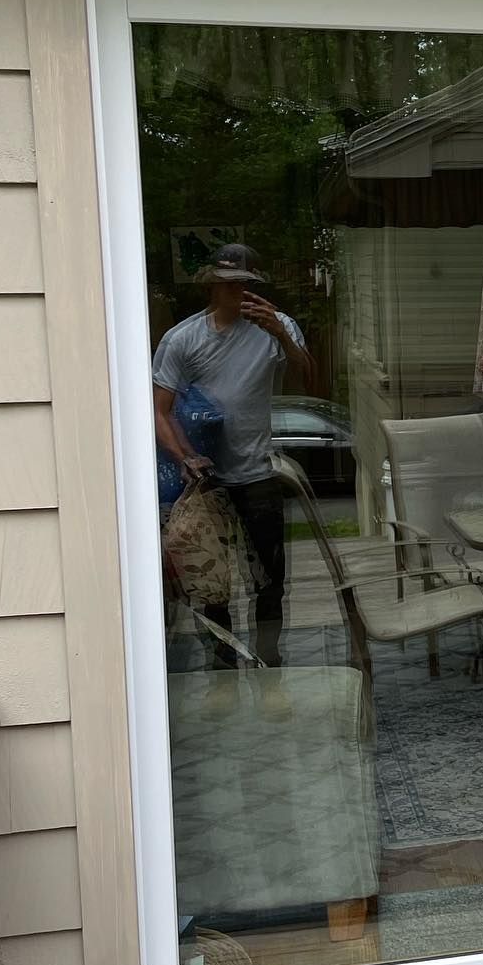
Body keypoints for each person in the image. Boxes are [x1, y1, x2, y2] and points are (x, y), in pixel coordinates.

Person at [153, 243, 311, 673]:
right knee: (211, 585)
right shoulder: (184, 338)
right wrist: (184, 457)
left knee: (270, 581)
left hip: (258, 472)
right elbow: (159, 410)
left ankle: (270, 664)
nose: (235, 293)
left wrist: (279, 332)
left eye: (244, 284)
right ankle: (222, 667)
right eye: (226, 284)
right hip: (204, 480)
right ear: (211, 288)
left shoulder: (277, 329)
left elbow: (309, 376)